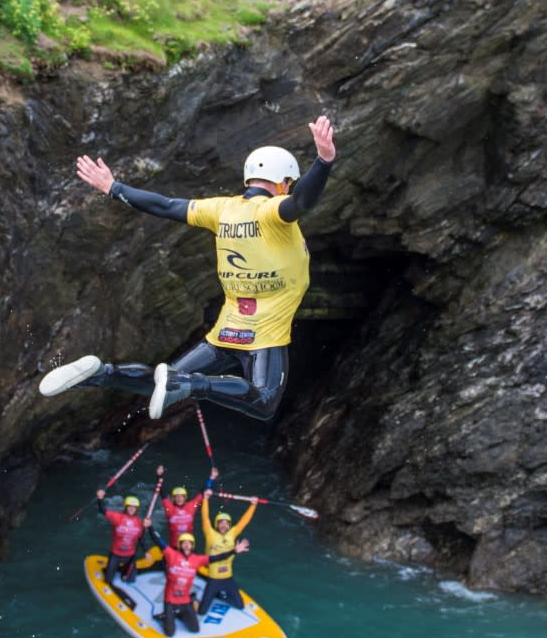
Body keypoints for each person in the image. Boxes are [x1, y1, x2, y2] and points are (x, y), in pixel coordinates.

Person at [38, 116, 338, 421]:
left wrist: (114, 187)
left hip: (227, 330)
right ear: (283, 183)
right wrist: (323, 162)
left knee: (162, 381)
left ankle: (100, 374)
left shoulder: (220, 209)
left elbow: (165, 206)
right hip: (265, 335)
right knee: (263, 401)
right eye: (289, 184)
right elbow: (302, 201)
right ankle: (193, 384)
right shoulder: (273, 212)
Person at [160, 531, 246, 637]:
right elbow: (159, 541)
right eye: (184, 543)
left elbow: (217, 558)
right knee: (170, 633)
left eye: (189, 543)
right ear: (180, 545)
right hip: (170, 600)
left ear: (192, 546)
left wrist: (233, 551)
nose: (187, 545)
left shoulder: (197, 559)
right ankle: (165, 617)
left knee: (195, 629)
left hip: (184, 600)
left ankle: (179, 612)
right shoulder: (171, 554)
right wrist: (149, 527)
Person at [197, 491, 259, 613]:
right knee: (202, 611)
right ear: (217, 524)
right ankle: (214, 594)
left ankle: (220, 596)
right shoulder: (210, 534)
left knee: (240, 605)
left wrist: (253, 505)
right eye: (221, 523)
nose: (224, 525)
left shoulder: (233, 533)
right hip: (213, 579)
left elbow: (244, 521)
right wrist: (205, 499)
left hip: (227, 579)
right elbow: (205, 516)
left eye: (226, 523)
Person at [96, 490, 150, 585]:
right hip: (115, 554)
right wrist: (100, 498)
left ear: (137, 509)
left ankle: (122, 569)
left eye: (134, 507)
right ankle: (114, 568)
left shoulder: (139, 522)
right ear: (126, 507)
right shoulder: (117, 517)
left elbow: (141, 538)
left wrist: (146, 551)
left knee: (131, 580)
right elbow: (102, 510)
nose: (132, 509)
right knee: (108, 580)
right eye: (130, 506)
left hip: (130, 556)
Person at [157, 464, 216, 545]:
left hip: (189, 545)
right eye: (177, 497)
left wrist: (211, 478)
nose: (179, 499)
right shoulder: (169, 508)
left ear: (185, 498)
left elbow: (203, 491)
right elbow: (162, 492)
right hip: (174, 546)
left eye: (182, 496)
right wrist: (160, 476)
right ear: (173, 499)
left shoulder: (192, 506)